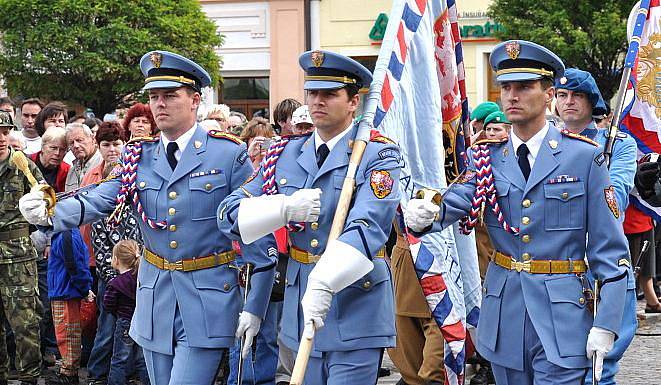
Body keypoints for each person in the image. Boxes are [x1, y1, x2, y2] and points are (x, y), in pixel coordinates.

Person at [19, 50, 277, 385]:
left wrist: (255, 306)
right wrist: (52, 212)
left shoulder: (227, 153)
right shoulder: (140, 155)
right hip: (155, 295)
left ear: (195, 100)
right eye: (155, 96)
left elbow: (253, 228)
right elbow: (101, 197)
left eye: (170, 95)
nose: (160, 104)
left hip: (207, 297)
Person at [404, 40, 629, 385]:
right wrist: (429, 211)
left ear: (549, 93)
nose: (511, 95)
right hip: (505, 312)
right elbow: (460, 197)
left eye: (524, 86)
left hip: (562, 315)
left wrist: (607, 323)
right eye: (506, 86)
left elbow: (611, 252)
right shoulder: (488, 157)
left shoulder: (584, 158)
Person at [218, 50, 402, 384]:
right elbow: (228, 215)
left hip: (356, 304)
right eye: (313, 92)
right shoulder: (285, 153)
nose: (317, 100)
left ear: (353, 102)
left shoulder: (379, 154)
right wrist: (281, 209)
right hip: (298, 307)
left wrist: (325, 279)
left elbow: (369, 226)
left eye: (329, 93)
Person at [554, 68, 638, 385]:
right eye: (562, 95)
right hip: (558, 268)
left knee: (598, 370)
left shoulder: (618, 145)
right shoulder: (547, 146)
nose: (569, 102)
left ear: (593, 102)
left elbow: (613, 200)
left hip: (601, 267)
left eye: (577, 95)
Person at [0, 111, 43, 385]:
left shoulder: (22, 165)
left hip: (17, 258)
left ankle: (30, 378)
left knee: (25, 324)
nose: (1, 138)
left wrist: (24, 233)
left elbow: (46, 204)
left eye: (5, 131)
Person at [47, 228, 95, 384]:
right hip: (61, 290)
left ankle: (69, 373)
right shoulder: (65, 232)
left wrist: (84, 288)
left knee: (67, 333)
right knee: (65, 332)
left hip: (66, 291)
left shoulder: (67, 234)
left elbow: (75, 265)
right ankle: (68, 370)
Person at [104, 240, 150, 385]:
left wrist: (116, 311)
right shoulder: (143, 278)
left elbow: (108, 304)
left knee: (119, 359)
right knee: (143, 360)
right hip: (143, 322)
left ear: (116, 260)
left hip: (125, 322)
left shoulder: (116, 283)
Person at [63, 123, 102, 192]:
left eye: (79, 140)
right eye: (71, 143)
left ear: (93, 139)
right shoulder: (71, 172)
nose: (76, 145)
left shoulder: (103, 163)